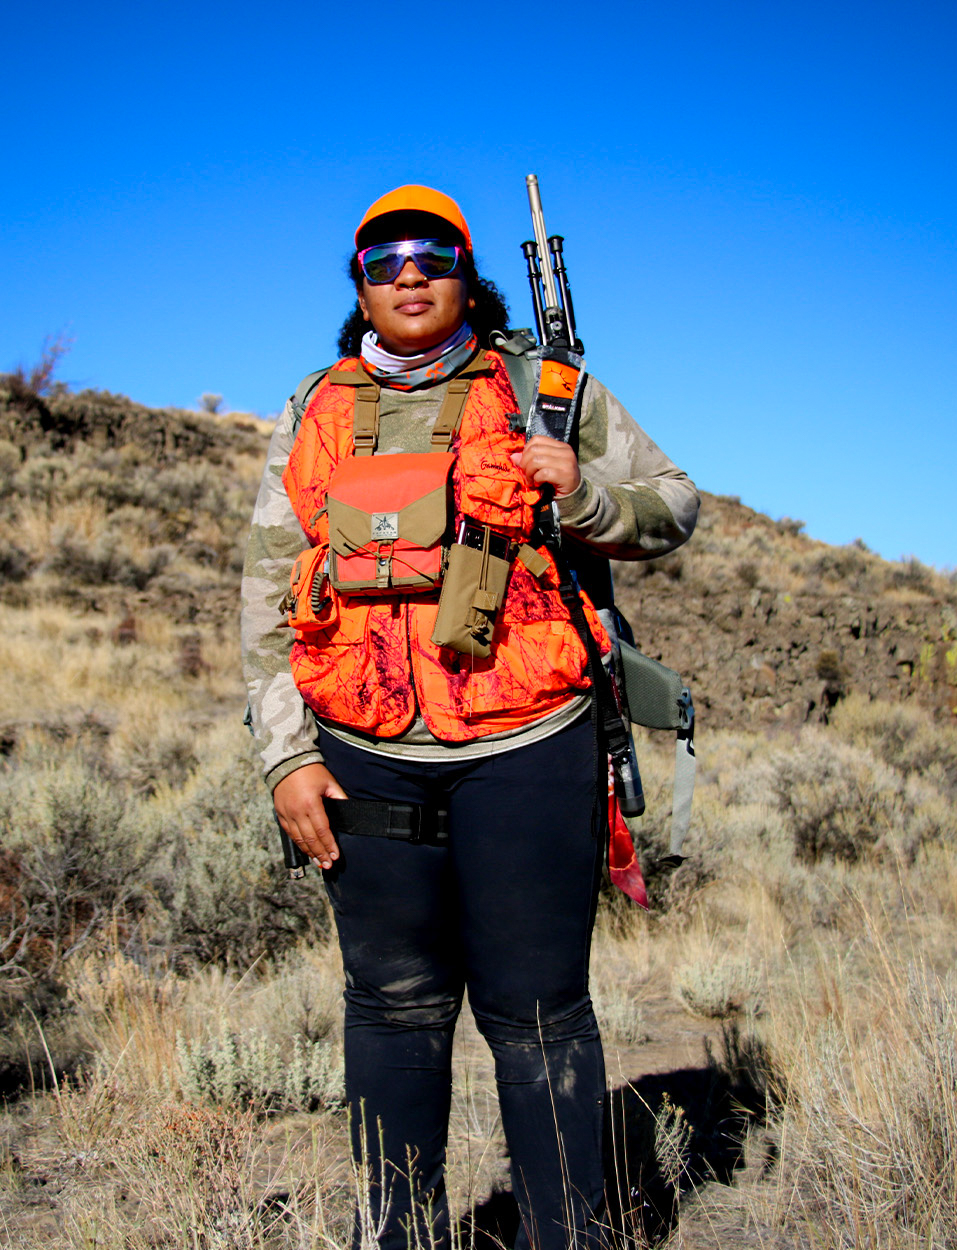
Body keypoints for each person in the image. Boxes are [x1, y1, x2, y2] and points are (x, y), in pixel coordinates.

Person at [240, 184, 697, 1250]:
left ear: (465, 270)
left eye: (431, 254)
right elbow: (266, 597)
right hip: (363, 760)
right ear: (358, 279)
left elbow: (674, 504)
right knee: (392, 1006)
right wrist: (284, 757)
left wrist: (583, 495)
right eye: (382, 257)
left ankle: (566, 1235)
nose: (408, 274)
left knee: (537, 1010)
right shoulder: (317, 407)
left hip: (530, 744)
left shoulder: (548, 387)